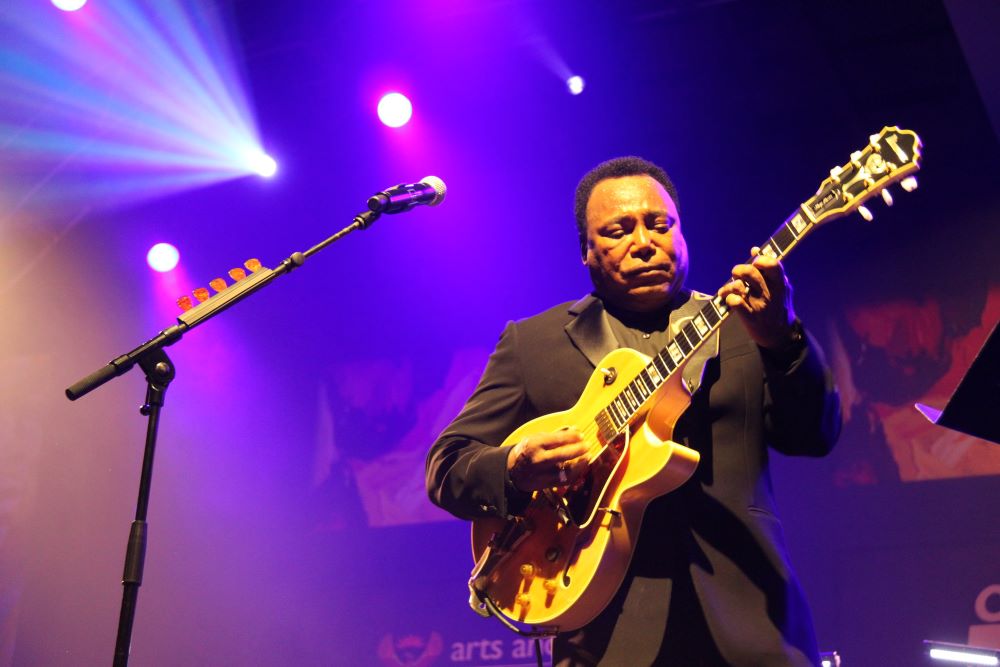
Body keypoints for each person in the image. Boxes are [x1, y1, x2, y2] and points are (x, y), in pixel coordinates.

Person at [425, 156, 841, 666]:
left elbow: (814, 436)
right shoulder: (533, 344)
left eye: (659, 224)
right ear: (586, 251)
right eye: (619, 230)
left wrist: (783, 339)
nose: (644, 242)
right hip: (603, 635)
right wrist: (515, 468)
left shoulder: (748, 324)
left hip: (754, 626)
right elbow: (447, 465)